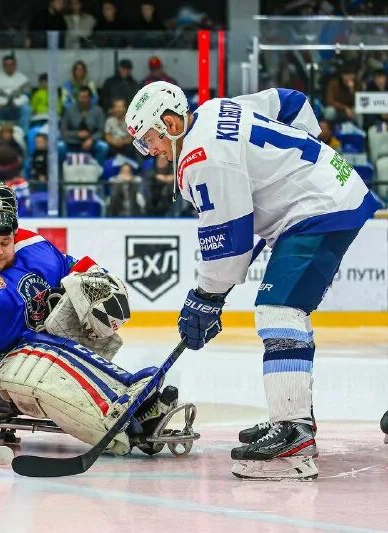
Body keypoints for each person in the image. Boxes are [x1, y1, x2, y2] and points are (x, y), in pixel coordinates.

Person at [125, 81, 382, 480]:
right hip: (326, 191)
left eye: (149, 140)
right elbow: (290, 102)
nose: (150, 151)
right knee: (280, 308)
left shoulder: (201, 157)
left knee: (279, 309)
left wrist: (204, 297)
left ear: (171, 123)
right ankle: (294, 420)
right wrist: (302, 163)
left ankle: (293, 437)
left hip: (319, 208)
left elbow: (229, 247)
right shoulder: (216, 109)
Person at [0, 180, 182, 454]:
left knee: (65, 350)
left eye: (5, 242)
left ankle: (140, 404)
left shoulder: (32, 247)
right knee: (42, 362)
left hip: (35, 349)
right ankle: (120, 424)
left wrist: (96, 280)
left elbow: (71, 269)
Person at [60, 86, 107, 163]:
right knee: (60, 146)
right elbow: (63, 131)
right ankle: (60, 171)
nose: (82, 100)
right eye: (80, 97)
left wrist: (92, 139)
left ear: (90, 98)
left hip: (91, 141)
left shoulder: (98, 111)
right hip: (72, 141)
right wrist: (77, 134)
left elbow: (101, 131)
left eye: (85, 97)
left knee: (103, 147)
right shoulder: (69, 110)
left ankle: (99, 170)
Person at [0, 54, 31, 127]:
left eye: (11, 65)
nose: (9, 67)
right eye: (6, 65)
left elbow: (27, 95)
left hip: (17, 103)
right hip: (0, 103)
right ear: (3, 66)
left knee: (26, 109)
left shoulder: (23, 79)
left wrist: (17, 103)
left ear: (15, 65)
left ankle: (24, 132)